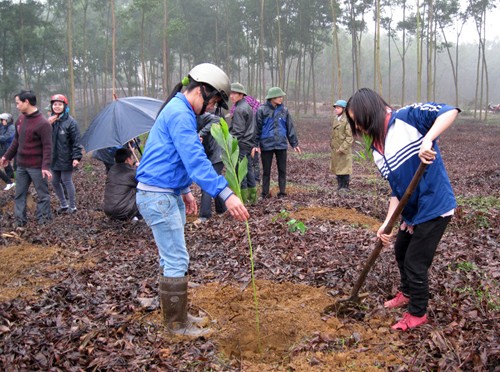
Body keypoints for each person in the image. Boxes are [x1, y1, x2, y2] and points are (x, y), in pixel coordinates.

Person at [135, 63, 249, 337]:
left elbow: (173, 157)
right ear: (200, 91)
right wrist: (226, 194)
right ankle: (176, 325)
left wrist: (185, 190)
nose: (211, 109)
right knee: (176, 258)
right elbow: (196, 160)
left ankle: (176, 314)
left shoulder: (179, 111)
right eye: (212, 103)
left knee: (171, 256)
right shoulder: (179, 114)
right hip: (157, 195)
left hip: (165, 192)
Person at [346, 88, 459, 331]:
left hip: (434, 206)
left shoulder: (408, 117)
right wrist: (386, 224)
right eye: (354, 123)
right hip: (412, 213)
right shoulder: (378, 149)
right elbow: (397, 192)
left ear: (371, 112)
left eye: (359, 120)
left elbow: (449, 111)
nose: (359, 127)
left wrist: (428, 140)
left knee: (415, 262)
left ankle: (418, 313)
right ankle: (407, 293)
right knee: (400, 250)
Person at [1, 90, 53, 227]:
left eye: (18, 103)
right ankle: (20, 223)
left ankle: (44, 223)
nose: (17, 106)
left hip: (37, 167)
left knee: (43, 195)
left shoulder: (43, 123)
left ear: (26, 102)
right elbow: (16, 142)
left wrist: (45, 166)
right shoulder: (20, 119)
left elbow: (48, 147)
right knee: (19, 195)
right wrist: (7, 156)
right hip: (21, 166)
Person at [252, 86, 301, 199]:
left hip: (281, 144)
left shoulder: (284, 110)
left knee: (282, 170)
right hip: (266, 145)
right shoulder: (261, 110)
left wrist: (294, 144)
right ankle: (265, 193)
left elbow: (290, 127)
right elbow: (257, 129)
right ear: (272, 97)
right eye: (279, 96)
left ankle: (282, 193)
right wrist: (255, 145)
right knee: (266, 171)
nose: (281, 98)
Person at [48, 94, 83, 214]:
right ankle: (63, 204)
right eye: (55, 104)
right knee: (54, 181)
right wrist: (48, 124)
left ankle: (72, 206)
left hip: (66, 157)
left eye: (59, 104)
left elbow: (76, 141)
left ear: (64, 106)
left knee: (66, 180)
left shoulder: (71, 122)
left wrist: (76, 157)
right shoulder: (49, 121)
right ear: (51, 106)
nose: (57, 107)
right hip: (53, 158)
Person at [229, 82, 257, 204]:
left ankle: (244, 199)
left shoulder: (240, 109)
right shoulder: (247, 106)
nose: (231, 96)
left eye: (234, 93)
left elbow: (238, 131)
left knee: (241, 172)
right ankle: (253, 198)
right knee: (249, 170)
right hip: (248, 143)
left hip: (241, 143)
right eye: (231, 93)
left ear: (241, 95)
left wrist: (229, 142)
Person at [195, 112, 226, 223]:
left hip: (217, 154)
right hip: (210, 154)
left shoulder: (200, 115)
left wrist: (201, 133)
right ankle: (222, 208)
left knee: (207, 182)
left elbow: (218, 119)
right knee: (215, 180)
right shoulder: (187, 120)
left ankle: (204, 215)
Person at [103, 148, 141, 221]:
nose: (133, 160)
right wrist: (141, 168)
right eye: (132, 158)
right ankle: (135, 217)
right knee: (140, 190)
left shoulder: (112, 170)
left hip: (108, 211)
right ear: (127, 160)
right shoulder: (132, 172)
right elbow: (144, 181)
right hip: (123, 211)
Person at [330, 99, 353, 191]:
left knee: (344, 169)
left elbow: (349, 137)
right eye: (335, 107)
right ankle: (339, 186)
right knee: (337, 168)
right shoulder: (336, 119)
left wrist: (342, 148)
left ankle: (345, 187)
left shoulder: (347, 120)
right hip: (336, 148)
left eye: (338, 107)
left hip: (344, 149)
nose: (336, 109)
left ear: (344, 109)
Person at [0, 113, 16, 190]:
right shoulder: (3, 127)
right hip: (3, 147)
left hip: (9, 147)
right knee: (5, 161)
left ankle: (9, 181)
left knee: (4, 160)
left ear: (7, 120)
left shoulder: (12, 127)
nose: (1, 121)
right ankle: (10, 176)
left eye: (3, 120)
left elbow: (7, 137)